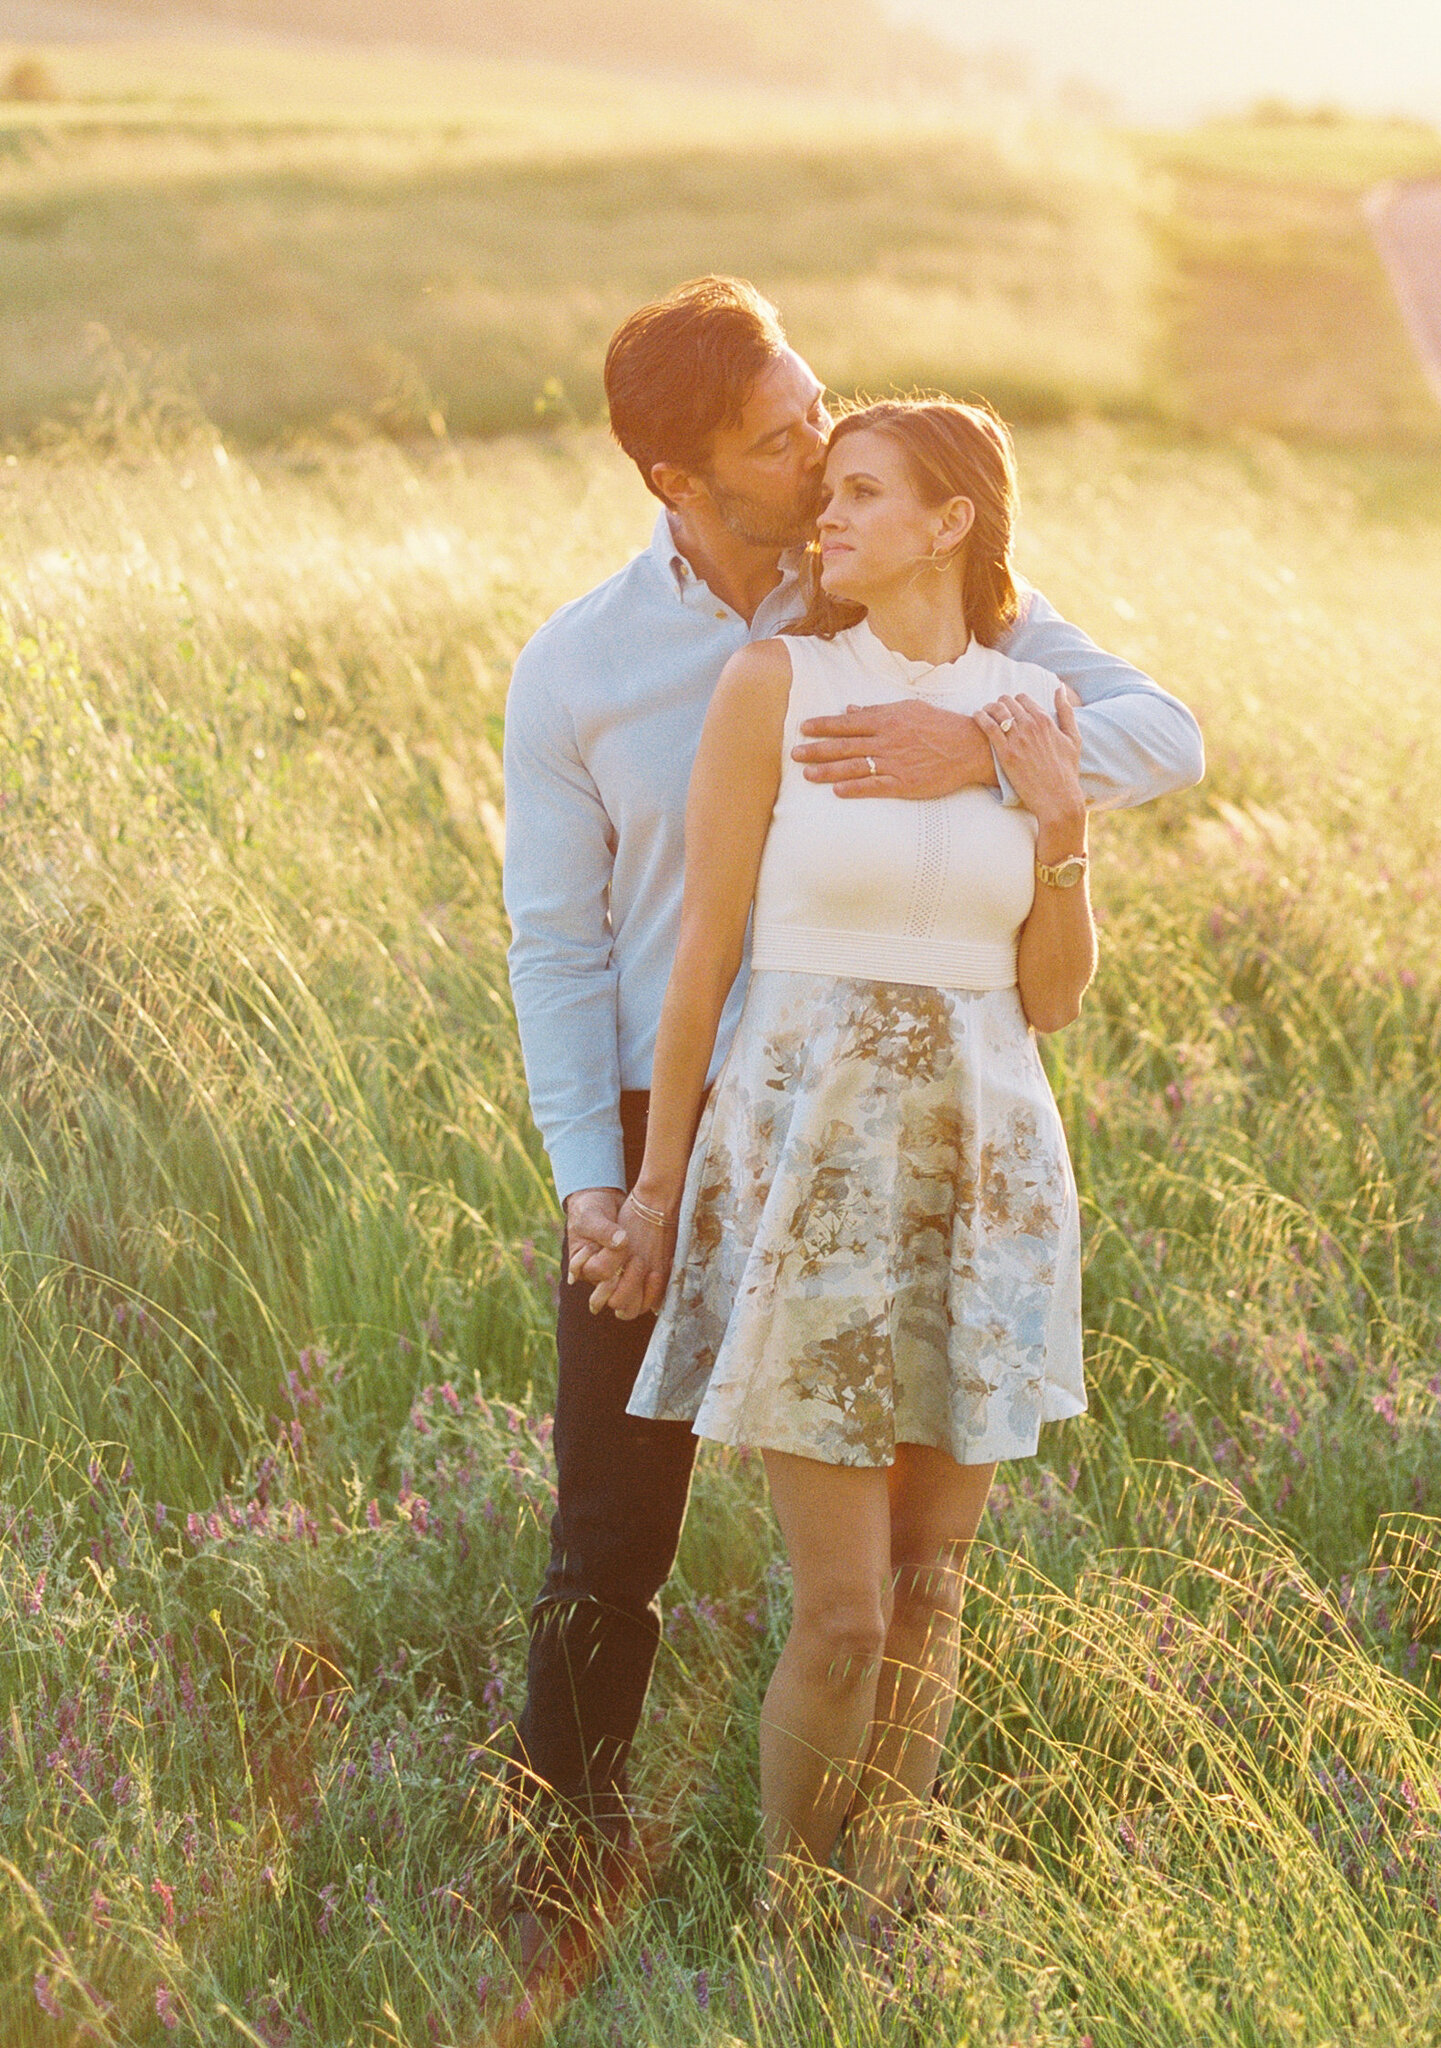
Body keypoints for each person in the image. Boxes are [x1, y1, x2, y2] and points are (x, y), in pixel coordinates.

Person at [497, 278, 1202, 1917]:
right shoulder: (588, 666)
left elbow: (1164, 734)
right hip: (678, 1111)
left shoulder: (975, 630)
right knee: (613, 1531)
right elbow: (561, 941)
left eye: (822, 414)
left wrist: (977, 751)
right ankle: (555, 1876)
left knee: (899, 1577)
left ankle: (850, 1888)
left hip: (910, 1126)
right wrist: (600, 1181)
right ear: (679, 478)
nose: (817, 452)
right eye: (780, 436)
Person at [596, 393, 1099, 1918]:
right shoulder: (778, 681)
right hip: (811, 1169)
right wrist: (657, 1187)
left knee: (935, 1593)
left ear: (953, 520)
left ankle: (878, 1907)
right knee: (842, 1618)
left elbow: (1056, 995)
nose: (831, 516)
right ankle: (784, 1920)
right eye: (829, 494)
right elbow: (703, 959)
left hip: (988, 1168)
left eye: (866, 493)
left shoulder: (1030, 710)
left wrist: (1061, 821)